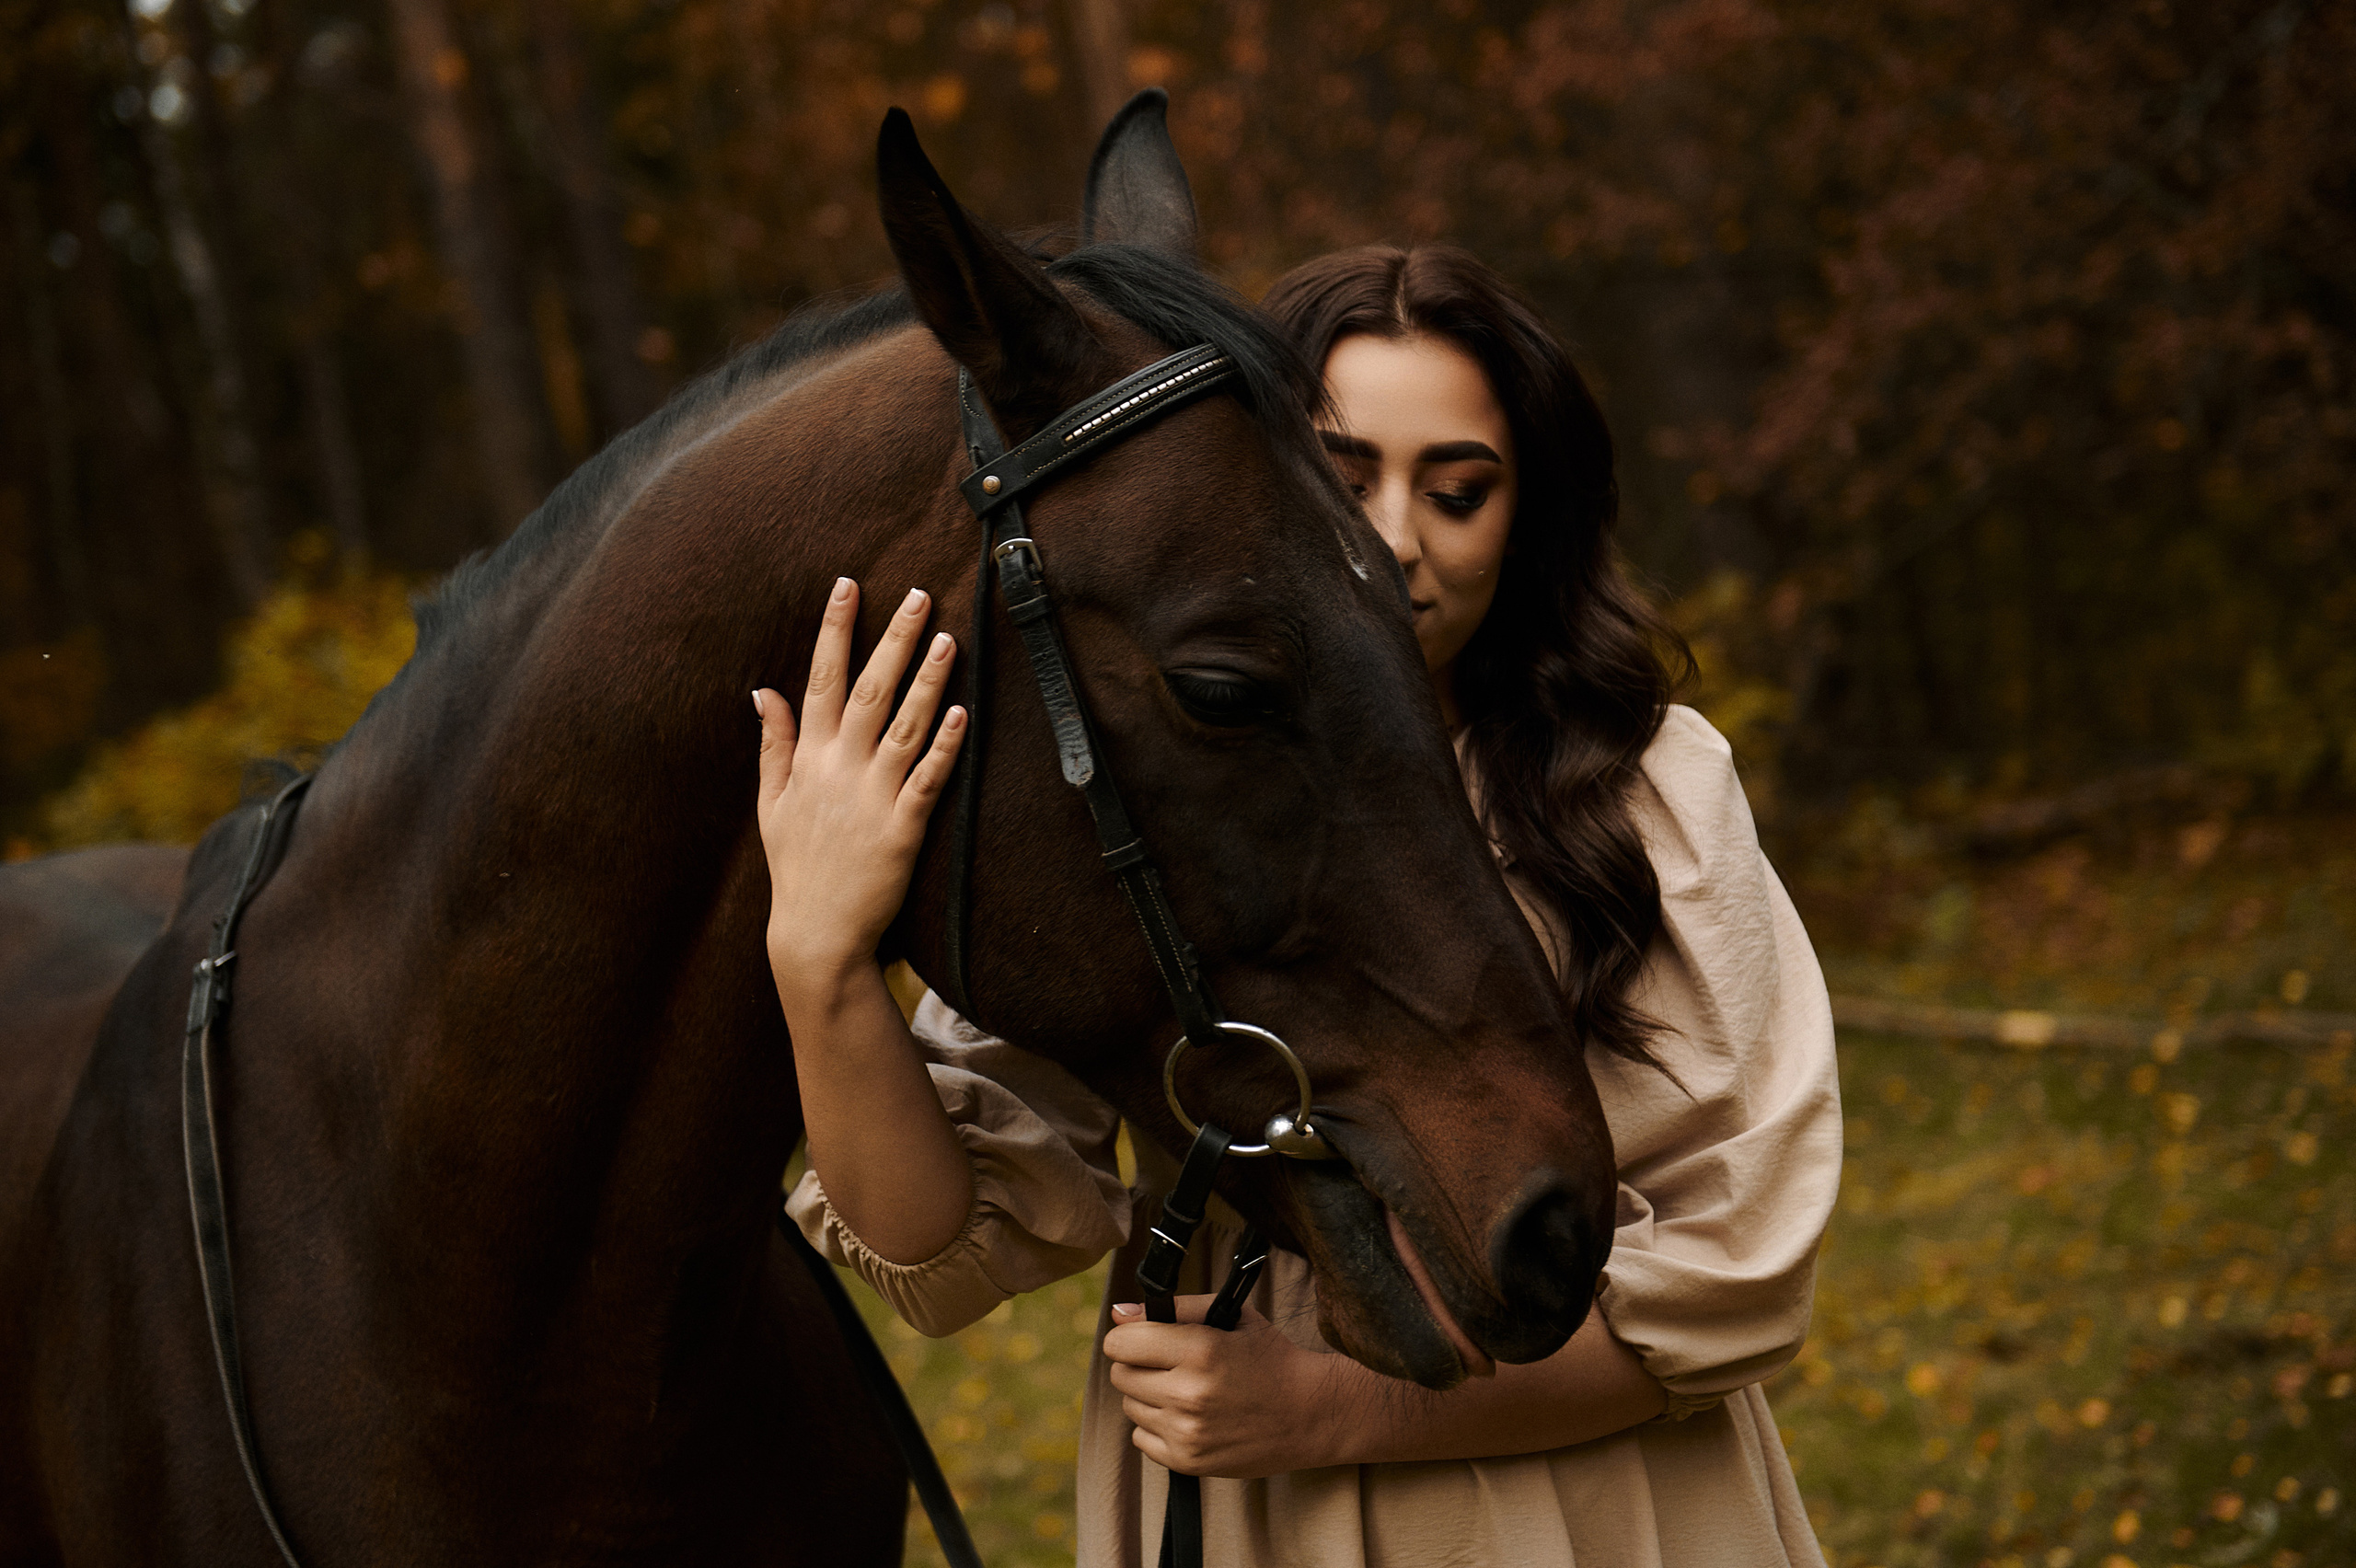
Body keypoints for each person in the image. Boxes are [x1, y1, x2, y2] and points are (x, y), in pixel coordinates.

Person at [755, 243, 1842, 1567]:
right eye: (1341, 476)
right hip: (1242, 1516)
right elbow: (943, 1249)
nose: (1396, 536)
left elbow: (1739, 1285)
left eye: (1458, 490)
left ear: (1527, 513)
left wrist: (1332, 1406)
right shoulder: (1165, 787)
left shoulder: (1644, 791)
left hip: (1583, 1513)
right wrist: (820, 961)